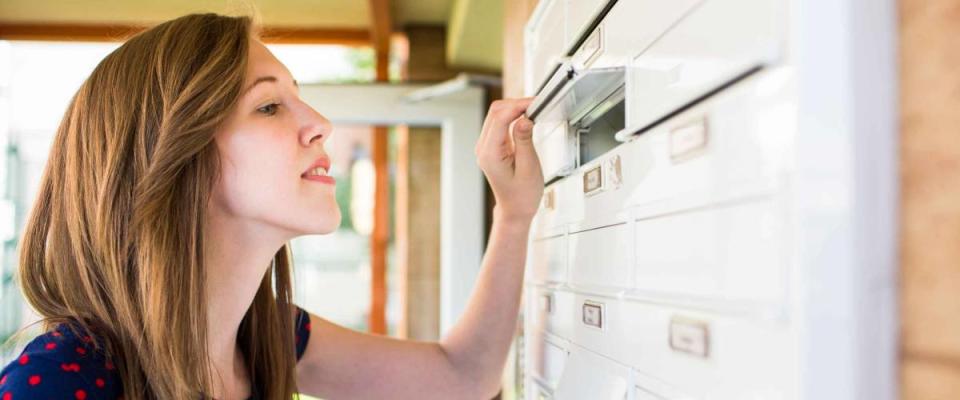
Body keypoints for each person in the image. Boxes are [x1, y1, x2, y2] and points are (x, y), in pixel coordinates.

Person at [0, 12, 542, 400]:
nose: (319, 123)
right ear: (173, 155)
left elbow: (462, 379)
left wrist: (514, 214)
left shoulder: (268, 337)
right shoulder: (59, 379)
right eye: (268, 106)